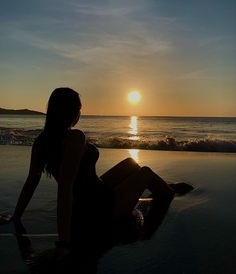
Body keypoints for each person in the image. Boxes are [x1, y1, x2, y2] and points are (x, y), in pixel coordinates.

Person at [13, 87, 193, 260]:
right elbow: (65, 190)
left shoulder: (41, 141)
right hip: (99, 210)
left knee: (131, 163)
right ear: (73, 112)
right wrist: (64, 243)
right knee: (145, 173)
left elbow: (32, 181)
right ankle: (168, 191)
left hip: (93, 193)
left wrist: (16, 215)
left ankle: (159, 186)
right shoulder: (75, 137)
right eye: (79, 109)